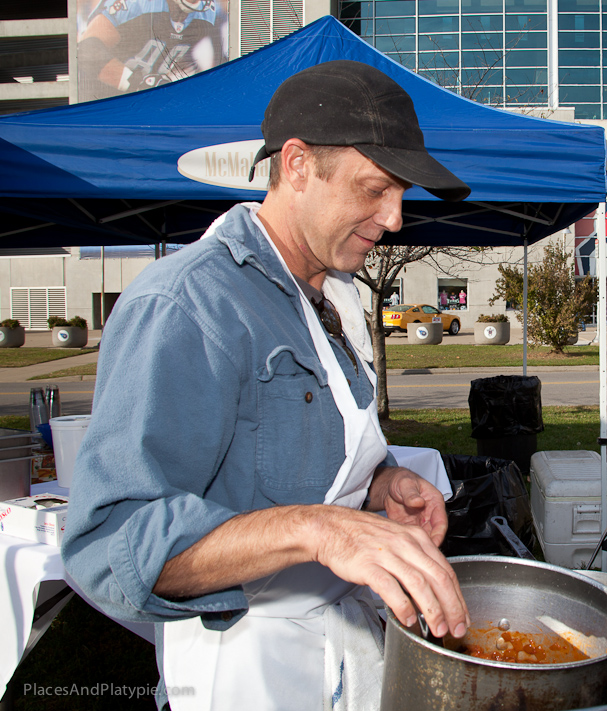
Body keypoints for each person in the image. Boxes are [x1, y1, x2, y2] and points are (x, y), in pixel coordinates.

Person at [61, 60, 472, 711]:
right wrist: (320, 529)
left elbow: (307, 444)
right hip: (249, 667)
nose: (395, 218)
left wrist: (380, 483)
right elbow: (113, 544)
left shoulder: (334, 290)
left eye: (401, 193)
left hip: (348, 648)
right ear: (299, 165)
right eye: (374, 189)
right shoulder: (188, 306)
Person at [78, 0, 226, 102]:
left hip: (146, 100)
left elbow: (221, 64)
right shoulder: (138, 4)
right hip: (104, 98)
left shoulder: (208, 13)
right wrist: (135, 83)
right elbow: (88, 50)